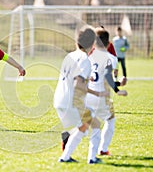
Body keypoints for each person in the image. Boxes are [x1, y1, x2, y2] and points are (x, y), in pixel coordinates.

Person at [54, 26, 108, 163]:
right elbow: (78, 85)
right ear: (93, 43)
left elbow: (74, 80)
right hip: (71, 102)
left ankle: (65, 156)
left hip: (59, 100)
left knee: (83, 127)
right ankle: (92, 158)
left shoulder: (69, 56)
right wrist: (96, 92)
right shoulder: (85, 59)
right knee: (95, 125)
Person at [85, 27, 127, 164]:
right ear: (109, 43)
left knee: (87, 124)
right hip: (101, 96)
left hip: (87, 95)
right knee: (109, 120)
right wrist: (118, 87)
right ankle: (101, 150)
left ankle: (68, 137)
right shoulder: (111, 58)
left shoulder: (89, 56)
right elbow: (107, 79)